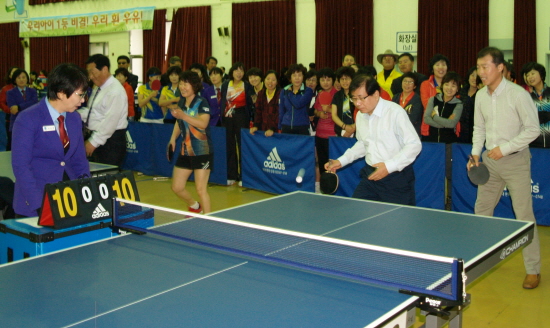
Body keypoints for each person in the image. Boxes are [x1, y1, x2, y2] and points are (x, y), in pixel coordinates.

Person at [469, 47, 541, 289]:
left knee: (523, 216)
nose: (481, 72)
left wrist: (506, 148)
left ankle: (533, 269)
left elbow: (533, 130)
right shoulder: (480, 96)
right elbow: (479, 129)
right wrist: (476, 153)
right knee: (481, 211)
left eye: (485, 67)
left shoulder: (518, 94)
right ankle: (479, 262)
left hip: (516, 161)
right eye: (479, 67)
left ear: (500, 68)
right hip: (489, 161)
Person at [325, 74, 421, 205]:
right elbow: (363, 144)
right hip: (370, 177)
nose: (357, 103)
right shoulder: (360, 115)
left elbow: (414, 145)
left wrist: (388, 166)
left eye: (361, 98)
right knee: (356, 213)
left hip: (397, 179)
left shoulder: (395, 112)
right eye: (354, 99)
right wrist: (341, 161)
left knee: (399, 223)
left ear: (376, 95)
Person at [11, 63, 90, 217]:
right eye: (80, 94)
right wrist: (39, 204)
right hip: (35, 204)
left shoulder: (74, 118)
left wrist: (87, 193)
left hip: (68, 201)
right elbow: (21, 166)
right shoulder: (27, 119)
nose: (82, 100)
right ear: (61, 93)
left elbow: (80, 161)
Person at [168, 71, 212, 214]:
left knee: (200, 189)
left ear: (194, 86)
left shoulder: (201, 102)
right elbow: (178, 122)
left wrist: (183, 116)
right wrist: (173, 138)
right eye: (181, 83)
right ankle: (194, 206)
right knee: (177, 187)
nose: (182, 86)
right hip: (185, 151)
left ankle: (211, 221)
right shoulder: (181, 102)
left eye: (185, 83)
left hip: (202, 151)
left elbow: (203, 124)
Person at [80, 54, 128, 167]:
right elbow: (93, 112)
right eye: (89, 73)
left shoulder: (115, 91)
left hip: (110, 142)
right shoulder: (100, 88)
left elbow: (110, 122)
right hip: (100, 139)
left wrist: (93, 142)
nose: (90, 76)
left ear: (105, 69)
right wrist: (74, 114)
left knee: (106, 179)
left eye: (93, 72)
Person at [220, 62, 254, 185]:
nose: (239, 73)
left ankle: (243, 176)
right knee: (229, 146)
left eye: (241, 70)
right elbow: (223, 101)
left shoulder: (247, 85)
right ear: (232, 72)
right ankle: (231, 175)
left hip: (241, 118)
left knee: (242, 146)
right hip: (227, 118)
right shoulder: (225, 84)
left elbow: (251, 103)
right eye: (236, 70)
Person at [423, 72, 463, 143]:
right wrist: (445, 124)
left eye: (453, 86)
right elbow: (426, 119)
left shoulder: (458, 104)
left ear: (457, 89)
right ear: (442, 85)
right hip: (432, 140)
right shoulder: (433, 99)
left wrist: (434, 117)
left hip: (449, 143)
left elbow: (451, 124)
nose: (449, 88)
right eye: (446, 84)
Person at [313, 68, 337, 174]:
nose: (325, 83)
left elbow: (339, 112)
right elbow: (315, 110)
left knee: (332, 164)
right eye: (322, 80)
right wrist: (319, 113)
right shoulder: (319, 94)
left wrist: (328, 109)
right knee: (322, 163)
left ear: (333, 80)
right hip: (319, 134)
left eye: (328, 80)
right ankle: (324, 186)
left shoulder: (337, 94)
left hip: (332, 135)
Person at [279, 63, 314, 135]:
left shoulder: (308, 91)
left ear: (303, 77)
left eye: (299, 75)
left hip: (302, 127)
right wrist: (280, 126)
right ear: (290, 78)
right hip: (286, 126)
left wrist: (290, 94)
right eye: (294, 75)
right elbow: (281, 110)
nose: (297, 78)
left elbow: (298, 104)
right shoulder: (284, 91)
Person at [420, 54, 450, 137]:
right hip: (430, 125)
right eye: (437, 65)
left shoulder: (453, 84)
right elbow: (426, 105)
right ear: (432, 68)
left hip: (448, 124)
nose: (441, 68)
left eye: (443, 65)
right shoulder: (425, 84)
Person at [525, 63, 550, 148]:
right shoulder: (527, 97)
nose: (530, 77)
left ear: (541, 75)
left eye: (532, 73)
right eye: (527, 75)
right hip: (534, 144)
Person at [250, 70, 280, 137]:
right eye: (268, 79)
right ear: (264, 80)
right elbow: (258, 112)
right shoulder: (261, 94)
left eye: (273, 80)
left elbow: (279, 114)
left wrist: (272, 129)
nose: (270, 82)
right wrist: (256, 126)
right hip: (262, 130)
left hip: (276, 131)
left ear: (277, 82)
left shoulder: (281, 94)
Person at [391, 72, 423, 136]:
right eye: (405, 81)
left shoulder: (417, 99)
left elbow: (413, 118)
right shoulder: (396, 97)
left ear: (415, 86)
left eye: (410, 82)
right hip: (396, 132)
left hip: (411, 133)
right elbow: (391, 114)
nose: (407, 84)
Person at [331, 66, 355, 137]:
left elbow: (362, 113)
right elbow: (334, 115)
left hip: (357, 131)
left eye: (347, 79)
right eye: (342, 79)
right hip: (341, 131)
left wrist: (353, 128)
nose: (344, 81)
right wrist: (345, 127)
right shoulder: (337, 95)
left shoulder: (357, 94)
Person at [458, 66, 479, 143]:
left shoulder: (482, 93)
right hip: (460, 131)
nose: (474, 78)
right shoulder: (461, 91)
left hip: (475, 131)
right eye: (472, 75)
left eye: (477, 76)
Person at [0, 66, 19, 151]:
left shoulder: (28, 89)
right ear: (10, 76)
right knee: (11, 139)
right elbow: (2, 103)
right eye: (13, 73)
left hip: (24, 116)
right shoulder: (6, 89)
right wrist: (10, 110)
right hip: (10, 117)